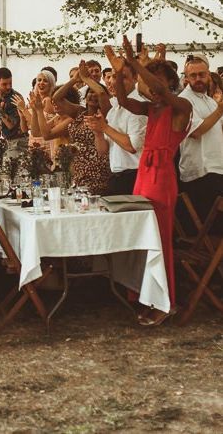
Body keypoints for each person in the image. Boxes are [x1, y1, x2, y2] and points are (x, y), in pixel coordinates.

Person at [106, 38, 192, 325]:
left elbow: (156, 89)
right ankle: (143, 295)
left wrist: (135, 63)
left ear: (169, 83)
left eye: (159, 82)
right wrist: (120, 72)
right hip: (143, 174)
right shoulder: (151, 109)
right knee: (141, 238)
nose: (153, 89)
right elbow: (122, 100)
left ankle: (166, 302)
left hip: (161, 177)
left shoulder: (181, 106)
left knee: (160, 241)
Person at [36, 64, 111, 195]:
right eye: (90, 92)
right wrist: (74, 80)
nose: (93, 95)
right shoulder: (80, 113)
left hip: (99, 169)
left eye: (95, 92)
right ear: (85, 97)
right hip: (78, 170)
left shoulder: (105, 115)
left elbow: (101, 93)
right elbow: (56, 98)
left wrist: (87, 79)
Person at [86, 62, 147, 195]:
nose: (114, 82)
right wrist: (98, 133)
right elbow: (103, 150)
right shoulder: (115, 109)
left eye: (122, 77)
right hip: (117, 176)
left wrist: (105, 127)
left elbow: (133, 146)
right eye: (113, 77)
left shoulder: (139, 106)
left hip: (134, 176)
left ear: (135, 78)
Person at [178, 55, 223, 233]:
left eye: (202, 74)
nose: (198, 79)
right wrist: (220, 110)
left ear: (209, 75)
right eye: (193, 75)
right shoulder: (184, 100)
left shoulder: (210, 101)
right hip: (199, 173)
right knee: (209, 230)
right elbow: (196, 132)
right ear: (186, 78)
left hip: (216, 168)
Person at [0, 67, 26, 158]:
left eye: (10, 83)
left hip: (18, 142)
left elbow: (11, 125)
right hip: (5, 142)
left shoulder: (15, 98)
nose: (9, 87)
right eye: (4, 84)